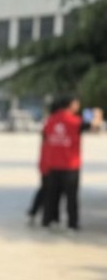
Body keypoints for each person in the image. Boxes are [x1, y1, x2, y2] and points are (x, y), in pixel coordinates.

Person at [40, 95, 89, 231]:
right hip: (70, 167)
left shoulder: (50, 120)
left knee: (51, 197)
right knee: (71, 198)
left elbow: (45, 140)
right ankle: (72, 224)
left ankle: (48, 221)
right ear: (70, 104)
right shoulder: (74, 121)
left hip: (52, 166)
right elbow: (92, 125)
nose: (78, 106)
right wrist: (97, 114)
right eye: (76, 103)